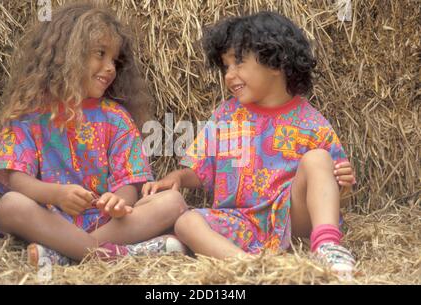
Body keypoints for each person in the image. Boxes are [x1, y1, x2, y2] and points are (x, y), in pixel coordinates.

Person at [142, 11, 357, 276]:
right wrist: (177, 177)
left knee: (318, 159)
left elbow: (333, 187)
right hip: (240, 222)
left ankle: (327, 247)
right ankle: (254, 267)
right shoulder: (227, 115)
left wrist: (343, 184)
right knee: (187, 222)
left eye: (239, 63)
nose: (229, 75)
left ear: (276, 63)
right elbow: (201, 168)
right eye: (226, 66)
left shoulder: (311, 122)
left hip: (291, 220)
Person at [0, 1, 187, 267]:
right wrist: (56, 194)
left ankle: (65, 253)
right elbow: (17, 179)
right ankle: (113, 253)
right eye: (100, 54)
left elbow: (129, 181)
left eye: (115, 60)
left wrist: (118, 202)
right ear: (67, 54)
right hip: (50, 217)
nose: (110, 68)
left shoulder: (115, 117)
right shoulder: (30, 114)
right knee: (10, 206)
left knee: (173, 202)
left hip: (105, 221)